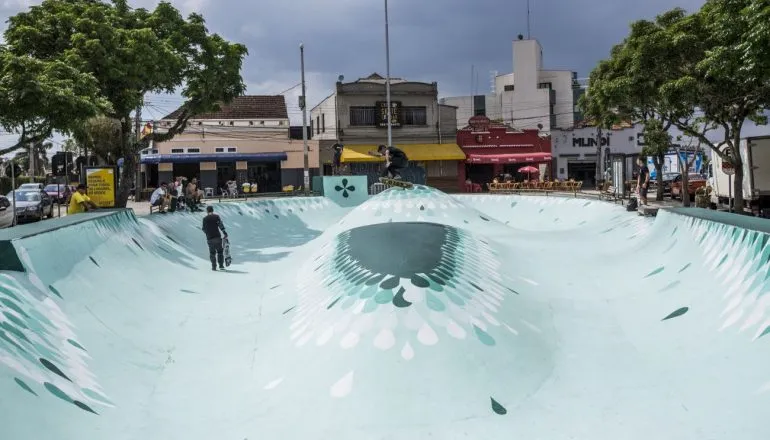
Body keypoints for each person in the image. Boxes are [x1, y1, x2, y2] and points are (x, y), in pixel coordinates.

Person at [202, 205, 228, 271]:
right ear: (212, 210)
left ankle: (214, 267)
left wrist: (207, 233)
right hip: (217, 237)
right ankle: (221, 265)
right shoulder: (216, 217)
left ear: (207, 211)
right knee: (220, 251)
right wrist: (224, 232)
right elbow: (220, 225)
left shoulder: (205, 219)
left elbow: (203, 229)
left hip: (210, 238)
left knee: (212, 253)